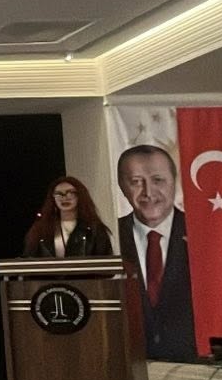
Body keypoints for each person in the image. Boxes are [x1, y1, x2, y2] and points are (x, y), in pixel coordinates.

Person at [114, 145, 196, 360]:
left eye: (158, 180)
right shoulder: (109, 236)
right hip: (128, 359)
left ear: (174, 181)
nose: (148, 192)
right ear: (122, 186)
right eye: (136, 182)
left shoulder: (202, 234)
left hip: (194, 362)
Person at [22, 175, 115, 258]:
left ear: (80, 196)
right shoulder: (41, 229)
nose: (65, 198)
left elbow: (106, 262)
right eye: (59, 194)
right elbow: (29, 259)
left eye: (70, 193)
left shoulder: (95, 229)